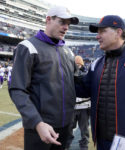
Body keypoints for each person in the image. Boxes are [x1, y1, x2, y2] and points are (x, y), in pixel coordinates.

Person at [9, 5, 79, 150]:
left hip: (66, 127)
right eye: (62, 22)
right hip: (41, 127)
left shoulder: (68, 52)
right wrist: (37, 122)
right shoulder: (28, 47)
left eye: (68, 24)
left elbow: (77, 84)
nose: (66, 27)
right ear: (48, 19)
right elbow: (17, 89)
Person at [76, 15, 125, 150]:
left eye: (102, 31)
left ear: (118, 32)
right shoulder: (96, 64)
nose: (97, 36)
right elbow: (81, 89)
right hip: (102, 142)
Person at [65, 56, 91, 150]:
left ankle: (84, 145)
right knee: (69, 128)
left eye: (79, 63)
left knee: (84, 129)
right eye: (76, 63)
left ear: (82, 64)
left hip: (84, 107)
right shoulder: (69, 73)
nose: (77, 65)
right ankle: (67, 144)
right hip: (72, 107)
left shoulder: (87, 74)